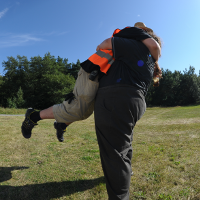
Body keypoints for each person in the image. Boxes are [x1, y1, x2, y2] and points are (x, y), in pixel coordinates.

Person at [21, 22, 161, 144]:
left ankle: (61, 125)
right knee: (78, 107)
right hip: (93, 71)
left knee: (85, 111)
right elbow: (104, 44)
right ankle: (33, 117)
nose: (148, 34)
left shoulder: (137, 45)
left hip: (103, 77)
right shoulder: (132, 33)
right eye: (147, 32)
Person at [93, 23, 162, 199]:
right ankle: (126, 173)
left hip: (116, 99)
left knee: (114, 155)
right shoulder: (150, 58)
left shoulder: (135, 44)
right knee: (125, 144)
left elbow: (103, 45)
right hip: (135, 101)